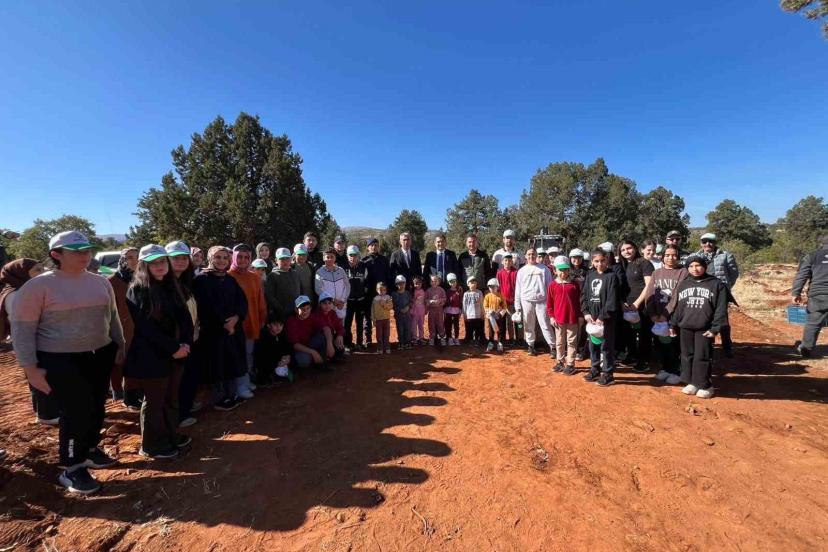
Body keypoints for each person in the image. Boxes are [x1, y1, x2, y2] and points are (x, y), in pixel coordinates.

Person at [12, 231, 124, 494]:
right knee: (75, 412)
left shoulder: (100, 282)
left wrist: (120, 344)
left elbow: (112, 317)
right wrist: (30, 368)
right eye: (77, 251)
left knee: (96, 405)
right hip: (60, 359)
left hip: (100, 353)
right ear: (56, 255)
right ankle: (72, 467)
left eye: (87, 250)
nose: (85, 255)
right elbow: (22, 330)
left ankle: (90, 449)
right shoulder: (38, 287)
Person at [125, 245, 193, 459]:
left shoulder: (172, 286)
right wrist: (174, 348)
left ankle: (171, 435)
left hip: (177, 353)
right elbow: (146, 327)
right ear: (144, 265)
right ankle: (152, 445)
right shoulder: (138, 290)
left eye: (162, 261)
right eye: (153, 263)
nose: (159, 266)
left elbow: (185, 318)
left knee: (171, 398)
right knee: (155, 401)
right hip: (151, 356)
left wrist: (186, 343)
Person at [192, 246, 248, 412]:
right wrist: (224, 324)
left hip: (233, 330)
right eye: (217, 257)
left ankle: (232, 394)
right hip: (213, 333)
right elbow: (205, 307)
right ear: (210, 258)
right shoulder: (201, 280)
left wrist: (236, 318)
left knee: (231, 363)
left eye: (224, 257)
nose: (222, 261)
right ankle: (219, 398)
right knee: (217, 366)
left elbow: (242, 302)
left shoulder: (230, 279)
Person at [1, 259, 55, 423]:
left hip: (38, 340)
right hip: (32, 342)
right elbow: (25, 324)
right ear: (21, 274)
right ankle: (47, 415)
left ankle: (44, 412)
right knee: (41, 376)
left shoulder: (25, 291)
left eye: (42, 269)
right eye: (37, 270)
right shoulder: (16, 295)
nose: (43, 273)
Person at [669, 254, 729, 399]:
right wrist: (673, 324)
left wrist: (715, 328)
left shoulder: (716, 284)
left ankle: (705, 385)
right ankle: (691, 382)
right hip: (686, 326)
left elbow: (721, 309)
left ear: (705, 266)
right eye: (691, 266)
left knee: (702, 356)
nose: (694, 269)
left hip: (705, 328)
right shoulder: (684, 284)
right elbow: (678, 307)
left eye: (698, 265)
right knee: (687, 355)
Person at [165, 241, 201, 428]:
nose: (180, 261)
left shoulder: (185, 282)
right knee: (177, 379)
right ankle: (179, 415)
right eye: (175, 258)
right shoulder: (164, 284)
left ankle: (186, 406)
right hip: (176, 341)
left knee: (189, 375)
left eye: (184, 258)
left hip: (190, 338)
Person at [228, 244, 267, 400]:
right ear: (233, 257)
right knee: (238, 355)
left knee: (248, 353)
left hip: (252, 321)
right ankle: (240, 387)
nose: (243, 260)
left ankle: (246, 381)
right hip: (236, 325)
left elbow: (260, 300)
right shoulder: (228, 276)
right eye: (239, 257)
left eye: (246, 257)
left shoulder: (255, 277)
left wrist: (262, 318)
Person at [645, 244, 687, 384]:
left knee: (675, 344)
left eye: (674, 255)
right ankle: (665, 368)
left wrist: (665, 313)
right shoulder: (656, 273)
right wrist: (652, 314)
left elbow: (678, 295)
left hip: (674, 316)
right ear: (662, 257)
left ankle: (676, 371)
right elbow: (649, 294)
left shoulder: (683, 272)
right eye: (667, 255)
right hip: (657, 316)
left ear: (678, 256)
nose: (670, 258)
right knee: (660, 343)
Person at [106, 247, 140, 408]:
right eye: (129, 257)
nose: (134, 260)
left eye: (137, 257)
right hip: (120, 328)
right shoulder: (111, 282)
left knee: (136, 362)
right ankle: (121, 393)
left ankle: (133, 394)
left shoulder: (142, 278)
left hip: (140, 327)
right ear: (122, 259)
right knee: (119, 363)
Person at [695, 233, 739, 357]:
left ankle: (727, 346)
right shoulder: (696, 256)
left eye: (711, 241)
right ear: (701, 243)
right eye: (704, 241)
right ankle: (709, 344)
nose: (708, 244)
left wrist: (725, 287)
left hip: (720, 292)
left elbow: (734, 273)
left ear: (715, 243)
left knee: (722, 318)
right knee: (705, 318)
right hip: (703, 291)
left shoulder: (725, 255)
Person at [581, 248, 619, 387]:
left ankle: (608, 373)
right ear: (592, 262)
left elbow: (612, 299)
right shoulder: (590, 275)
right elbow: (584, 295)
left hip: (606, 319)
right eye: (596, 261)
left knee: (606, 347)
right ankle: (595, 369)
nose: (599, 264)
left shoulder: (611, 276)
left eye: (602, 260)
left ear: (607, 260)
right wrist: (586, 312)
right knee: (593, 345)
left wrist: (602, 316)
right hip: (592, 318)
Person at [619, 240, 655, 373]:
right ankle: (632, 356)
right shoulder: (623, 265)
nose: (626, 251)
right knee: (629, 333)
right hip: (627, 306)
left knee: (644, 333)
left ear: (635, 248)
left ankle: (643, 361)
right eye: (623, 250)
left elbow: (649, 285)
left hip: (642, 305)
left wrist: (637, 303)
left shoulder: (644, 263)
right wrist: (622, 303)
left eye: (629, 248)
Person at [514, 248, 556, 356]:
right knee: (528, 324)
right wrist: (517, 306)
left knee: (545, 324)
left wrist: (551, 302)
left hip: (542, 301)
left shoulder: (544, 269)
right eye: (529, 254)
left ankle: (553, 347)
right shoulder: (521, 271)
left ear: (536, 255)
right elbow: (518, 289)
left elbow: (550, 287)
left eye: (533, 254)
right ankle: (530, 345)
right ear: (525, 256)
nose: (531, 256)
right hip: (526, 300)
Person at [792, 234, 828, 358]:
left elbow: (801, 276)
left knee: (813, 322)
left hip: (819, 295)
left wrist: (796, 293)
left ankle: (806, 348)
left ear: (821, 244)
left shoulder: (812, 256)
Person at [547, 257, 582, 375]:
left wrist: (580, 316)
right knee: (559, 341)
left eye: (566, 270)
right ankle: (560, 362)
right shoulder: (552, 285)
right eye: (560, 270)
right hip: (558, 319)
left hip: (572, 318)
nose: (563, 272)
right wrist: (551, 317)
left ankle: (570, 364)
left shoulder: (574, 285)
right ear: (555, 270)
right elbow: (550, 303)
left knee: (571, 341)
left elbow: (579, 302)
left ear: (569, 270)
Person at [362, 238, 391, 347]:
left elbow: (388, 276)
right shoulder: (363, 261)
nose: (374, 247)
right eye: (372, 245)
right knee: (367, 316)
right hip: (368, 293)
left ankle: (383, 339)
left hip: (382, 293)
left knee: (383, 315)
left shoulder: (384, 260)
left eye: (376, 245)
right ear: (368, 247)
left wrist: (388, 292)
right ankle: (368, 338)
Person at [286, 295, 328, 368]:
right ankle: (317, 360)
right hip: (298, 349)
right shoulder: (291, 321)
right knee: (303, 359)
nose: (305, 311)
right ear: (296, 310)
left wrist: (330, 344)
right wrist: (313, 352)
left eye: (307, 308)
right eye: (302, 309)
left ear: (311, 308)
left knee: (322, 337)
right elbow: (295, 345)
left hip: (309, 344)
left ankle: (320, 360)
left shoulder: (312, 316)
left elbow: (326, 328)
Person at [254, 312, 293, 383]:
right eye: (275, 325)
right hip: (267, 364)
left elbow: (287, 347)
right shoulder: (263, 337)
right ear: (268, 325)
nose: (278, 327)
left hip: (280, 362)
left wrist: (288, 356)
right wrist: (277, 363)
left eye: (281, 325)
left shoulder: (282, 334)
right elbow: (262, 357)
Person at [265, 247, 301, 322]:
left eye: (287, 259)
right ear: (276, 260)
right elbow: (270, 296)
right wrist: (281, 309)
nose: (285, 261)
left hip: (296, 312)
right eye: (282, 259)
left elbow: (299, 290)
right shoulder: (273, 275)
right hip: (281, 314)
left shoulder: (295, 273)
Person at [343, 245, 368, 351]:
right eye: (351, 255)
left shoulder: (363, 266)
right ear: (347, 255)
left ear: (358, 255)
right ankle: (347, 344)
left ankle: (359, 343)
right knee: (347, 323)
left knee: (360, 323)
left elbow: (367, 282)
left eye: (355, 255)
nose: (353, 257)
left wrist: (365, 293)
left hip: (361, 300)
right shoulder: (343, 268)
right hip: (348, 301)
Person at [315, 248, 350, 321]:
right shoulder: (319, 272)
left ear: (335, 258)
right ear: (323, 258)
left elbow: (347, 286)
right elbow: (318, 289)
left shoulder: (341, 270)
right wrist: (332, 300)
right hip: (327, 306)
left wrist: (343, 301)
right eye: (327, 257)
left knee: (340, 326)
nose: (330, 259)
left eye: (332, 257)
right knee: (328, 326)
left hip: (341, 305)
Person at [496, 253, 520, 346]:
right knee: (503, 321)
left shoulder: (516, 272)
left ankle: (514, 338)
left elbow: (518, 287)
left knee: (513, 321)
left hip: (512, 302)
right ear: (502, 262)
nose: (507, 262)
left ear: (512, 261)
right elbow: (497, 287)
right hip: (503, 302)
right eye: (505, 260)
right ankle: (504, 339)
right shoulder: (499, 273)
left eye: (509, 260)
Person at [315, 291, 346, 361]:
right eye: (324, 303)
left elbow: (340, 327)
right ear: (320, 304)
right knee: (322, 339)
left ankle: (331, 355)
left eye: (329, 303)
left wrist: (339, 335)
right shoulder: (316, 314)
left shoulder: (332, 313)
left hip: (330, 337)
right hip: (320, 339)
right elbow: (325, 329)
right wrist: (330, 343)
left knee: (341, 346)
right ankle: (325, 357)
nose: (327, 305)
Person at [483, 278, 508, 353]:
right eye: (490, 287)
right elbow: (485, 306)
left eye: (494, 287)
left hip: (499, 317)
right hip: (491, 317)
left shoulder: (501, 296)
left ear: (497, 287)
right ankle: (490, 343)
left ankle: (500, 343)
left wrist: (501, 313)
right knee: (491, 330)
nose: (492, 289)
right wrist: (489, 311)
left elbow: (504, 306)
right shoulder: (487, 296)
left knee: (500, 330)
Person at [425, 274, 447, 346]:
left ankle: (442, 337)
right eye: (432, 281)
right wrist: (430, 301)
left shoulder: (441, 290)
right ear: (430, 282)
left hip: (439, 311)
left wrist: (440, 301)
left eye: (435, 281)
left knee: (440, 324)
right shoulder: (428, 290)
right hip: (431, 311)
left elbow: (444, 299)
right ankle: (432, 338)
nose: (434, 282)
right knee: (431, 324)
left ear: (438, 282)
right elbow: (425, 300)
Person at [462, 276, 485, 347]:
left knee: (478, 329)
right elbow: (464, 305)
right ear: (468, 284)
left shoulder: (479, 292)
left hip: (478, 315)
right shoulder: (466, 294)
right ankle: (470, 341)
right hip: (469, 316)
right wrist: (464, 315)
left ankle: (477, 341)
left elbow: (482, 304)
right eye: (471, 283)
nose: (473, 284)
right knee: (469, 330)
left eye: (475, 282)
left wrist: (482, 313)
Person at [371, 282, 393, 354]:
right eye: (380, 290)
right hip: (378, 320)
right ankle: (380, 348)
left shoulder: (388, 297)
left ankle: (387, 347)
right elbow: (372, 310)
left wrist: (384, 304)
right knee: (379, 335)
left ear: (386, 290)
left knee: (386, 334)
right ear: (377, 290)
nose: (382, 292)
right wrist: (373, 319)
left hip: (386, 319)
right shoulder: (375, 299)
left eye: (384, 290)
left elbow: (391, 306)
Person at [392, 275, 413, 349]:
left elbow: (411, 302)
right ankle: (401, 342)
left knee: (408, 329)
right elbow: (393, 305)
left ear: (405, 284)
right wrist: (399, 309)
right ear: (396, 285)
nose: (401, 285)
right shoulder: (394, 294)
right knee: (400, 329)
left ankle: (408, 342)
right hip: (399, 316)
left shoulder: (408, 293)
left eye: (403, 283)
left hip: (407, 315)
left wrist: (408, 307)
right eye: (399, 284)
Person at [444, 273, 463, 346]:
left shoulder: (459, 291)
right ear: (448, 282)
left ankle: (456, 338)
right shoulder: (447, 291)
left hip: (456, 311)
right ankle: (449, 338)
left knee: (456, 325)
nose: (453, 283)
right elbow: (445, 301)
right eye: (451, 282)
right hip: (448, 311)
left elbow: (460, 300)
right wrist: (444, 309)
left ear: (456, 281)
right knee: (448, 325)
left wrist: (460, 309)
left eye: (454, 281)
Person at [410, 276, 426, 345]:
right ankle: (414, 338)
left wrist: (426, 309)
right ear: (413, 284)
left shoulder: (423, 291)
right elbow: (411, 302)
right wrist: (415, 299)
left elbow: (425, 301)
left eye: (419, 284)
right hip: (414, 311)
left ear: (421, 284)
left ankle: (421, 338)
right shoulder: (412, 291)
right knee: (413, 325)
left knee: (421, 325)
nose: (417, 285)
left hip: (421, 311)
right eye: (416, 284)